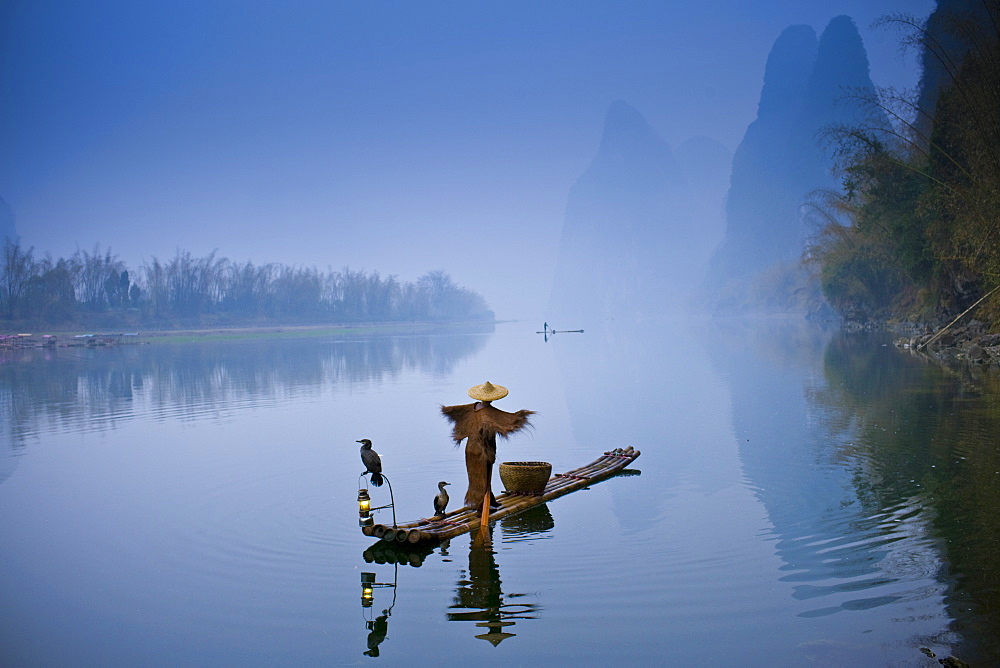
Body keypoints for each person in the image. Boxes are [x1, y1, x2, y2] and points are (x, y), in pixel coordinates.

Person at [441, 382, 534, 510]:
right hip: (483, 449)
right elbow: (509, 420)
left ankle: (489, 500)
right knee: (484, 475)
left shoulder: (470, 408)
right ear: (491, 398)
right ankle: (482, 505)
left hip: (470, 448)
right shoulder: (489, 412)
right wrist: (522, 415)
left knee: (477, 476)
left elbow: (451, 410)